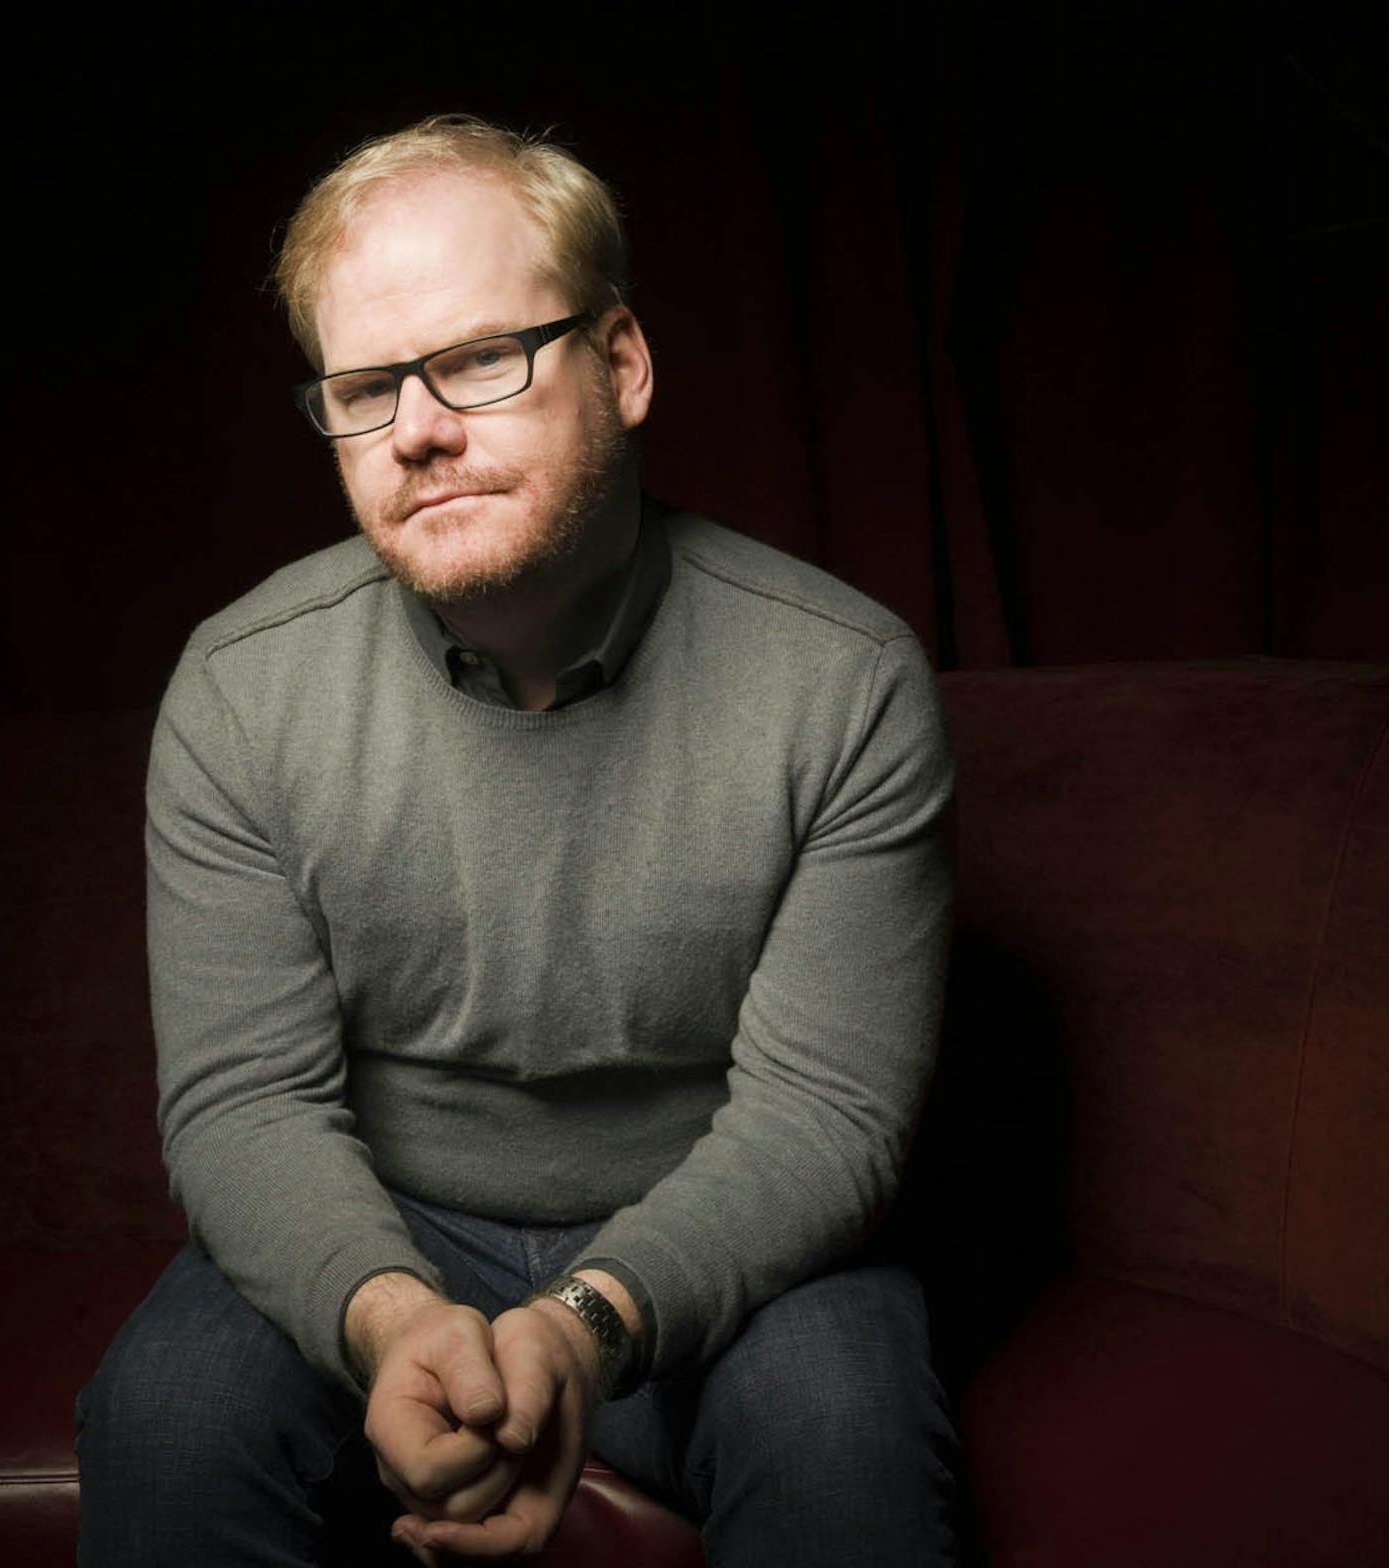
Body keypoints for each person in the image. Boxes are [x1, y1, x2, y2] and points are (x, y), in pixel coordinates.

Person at [76, 113, 966, 1566]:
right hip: (387, 1225)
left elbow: (826, 1120)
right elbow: (244, 1106)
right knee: (167, 1419)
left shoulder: (841, 680)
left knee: (841, 1434)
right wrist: (392, 1315)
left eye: (482, 358)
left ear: (620, 363)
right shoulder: (243, 691)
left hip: (726, 1243)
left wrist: (585, 1325)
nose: (418, 427)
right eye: (364, 388)